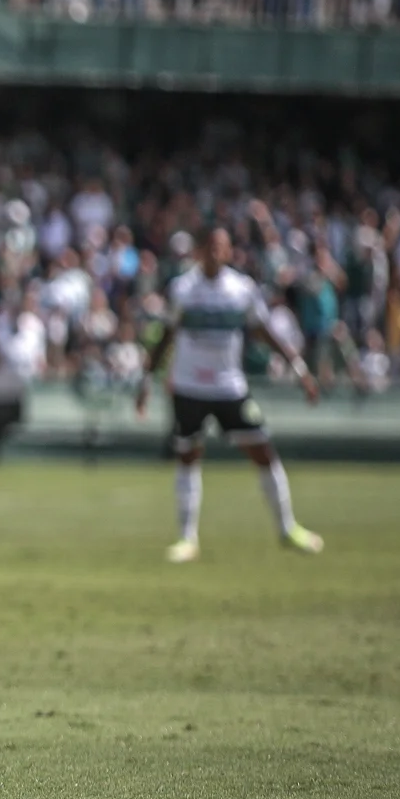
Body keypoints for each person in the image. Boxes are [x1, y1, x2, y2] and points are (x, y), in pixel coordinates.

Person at [136, 228, 323, 563]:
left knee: (263, 451)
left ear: (229, 251)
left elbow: (264, 331)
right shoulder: (183, 289)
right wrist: (146, 380)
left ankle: (287, 528)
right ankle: (187, 537)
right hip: (189, 386)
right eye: (209, 246)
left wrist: (299, 370)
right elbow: (166, 335)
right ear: (199, 250)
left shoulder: (241, 289)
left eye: (221, 247)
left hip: (228, 387)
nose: (215, 252)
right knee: (188, 457)